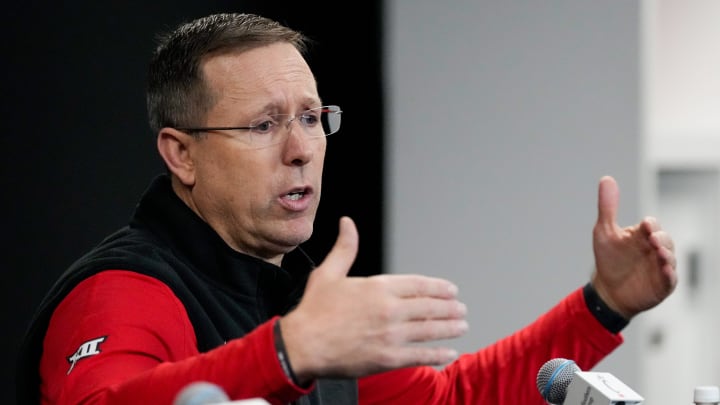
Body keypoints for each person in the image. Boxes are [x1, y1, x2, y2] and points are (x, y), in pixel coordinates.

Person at [16, 12, 677, 405]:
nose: (303, 148)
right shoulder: (124, 291)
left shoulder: (301, 303)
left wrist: (602, 303)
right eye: (263, 124)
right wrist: (287, 352)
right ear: (181, 155)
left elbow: (456, 397)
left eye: (311, 117)